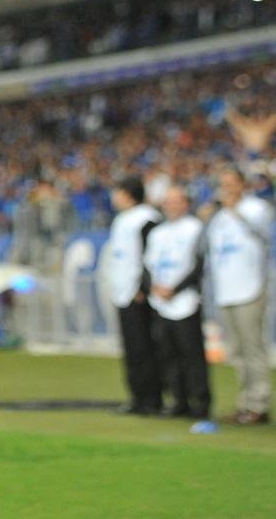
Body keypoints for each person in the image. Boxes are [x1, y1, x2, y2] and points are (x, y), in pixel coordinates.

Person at [205, 166, 276, 425]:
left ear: (243, 184)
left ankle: (260, 404)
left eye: (232, 183)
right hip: (226, 292)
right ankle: (245, 402)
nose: (227, 189)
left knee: (253, 349)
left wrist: (234, 209)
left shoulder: (256, 209)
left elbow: (262, 233)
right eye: (223, 184)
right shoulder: (219, 217)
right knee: (236, 352)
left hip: (250, 288)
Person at [145, 186, 211, 419]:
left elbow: (198, 265)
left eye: (177, 200)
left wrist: (175, 289)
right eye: (168, 201)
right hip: (161, 303)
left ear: (186, 203)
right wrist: (154, 287)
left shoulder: (195, 229)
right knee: (168, 356)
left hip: (186, 300)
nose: (172, 205)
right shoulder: (157, 233)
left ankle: (201, 402)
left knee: (192, 355)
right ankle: (179, 400)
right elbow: (149, 266)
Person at [105, 176, 163, 415]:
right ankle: (137, 396)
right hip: (122, 293)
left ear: (128, 193)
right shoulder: (122, 219)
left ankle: (152, 398)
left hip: (137, 294)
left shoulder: (146, 218)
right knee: (132, 348)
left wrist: (142, 287)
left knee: (145, 348)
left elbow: (151, 256)